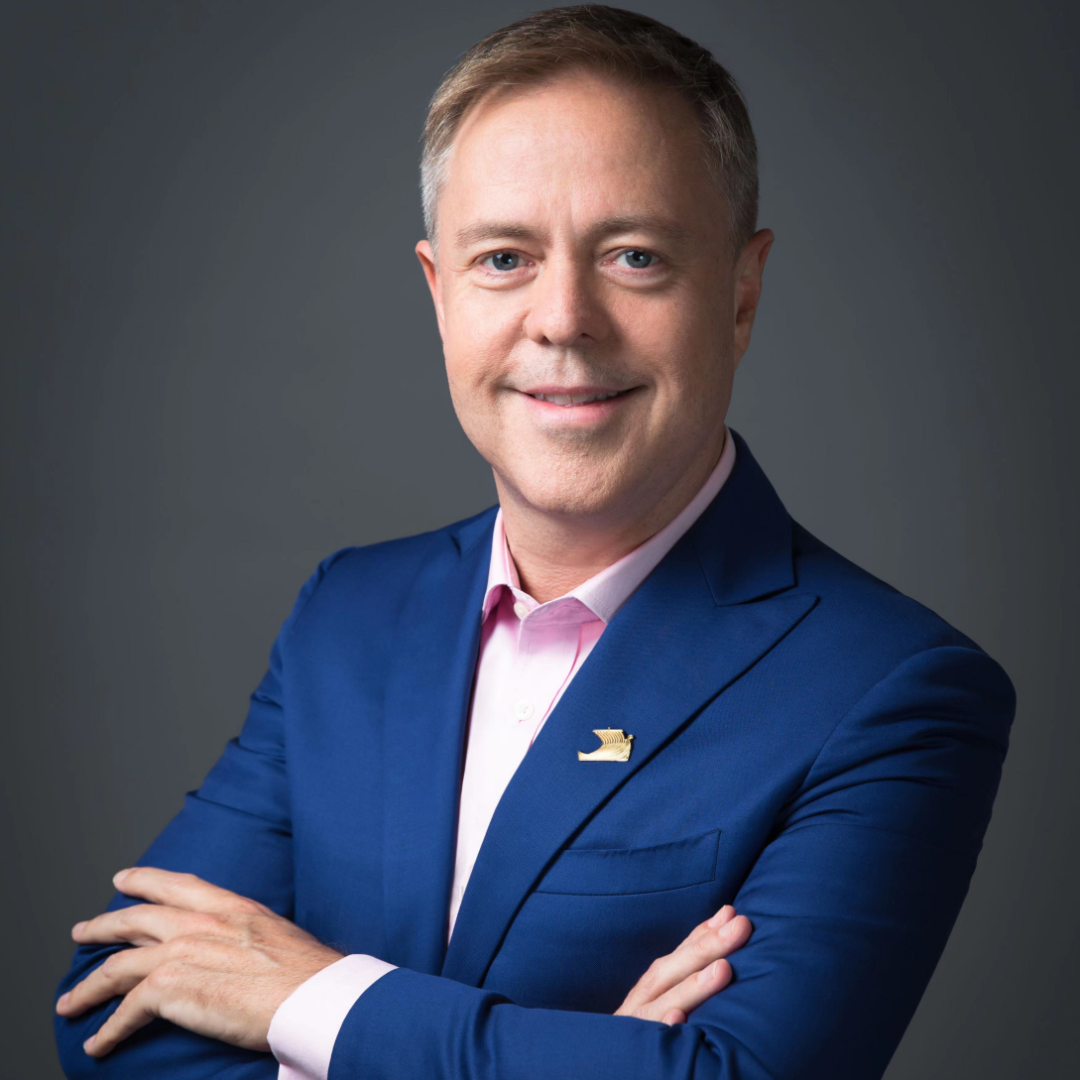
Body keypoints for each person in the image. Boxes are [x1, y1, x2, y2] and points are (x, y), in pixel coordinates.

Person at [53, 7, 1015, 1079]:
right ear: (440, 295)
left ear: (740, 295)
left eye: (635, 256)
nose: (563, 318)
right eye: (504, 258)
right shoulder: (349, 614)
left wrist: (305, 1000)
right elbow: (107, 1020)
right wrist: (591, 1056)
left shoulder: (892, 689)